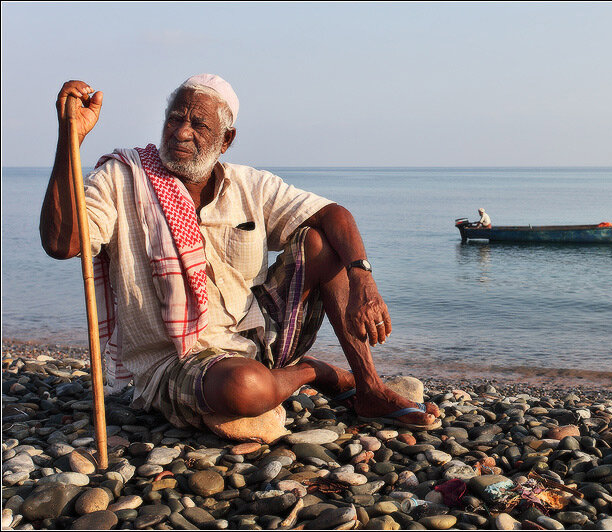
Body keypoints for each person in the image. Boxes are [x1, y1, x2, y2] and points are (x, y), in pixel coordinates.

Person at [40, 75, 440, 443]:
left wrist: (363, 280)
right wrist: (68, 139)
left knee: (321, 241)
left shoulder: (248, 184)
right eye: (174, 119)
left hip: (256, 333)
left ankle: (369, 389)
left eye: (199, 125)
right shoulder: (122, 178)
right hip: (179, 359)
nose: (181, 132)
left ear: (226, 140)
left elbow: (333, 213)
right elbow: (62, 243)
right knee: (244, 389)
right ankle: (312, 371)